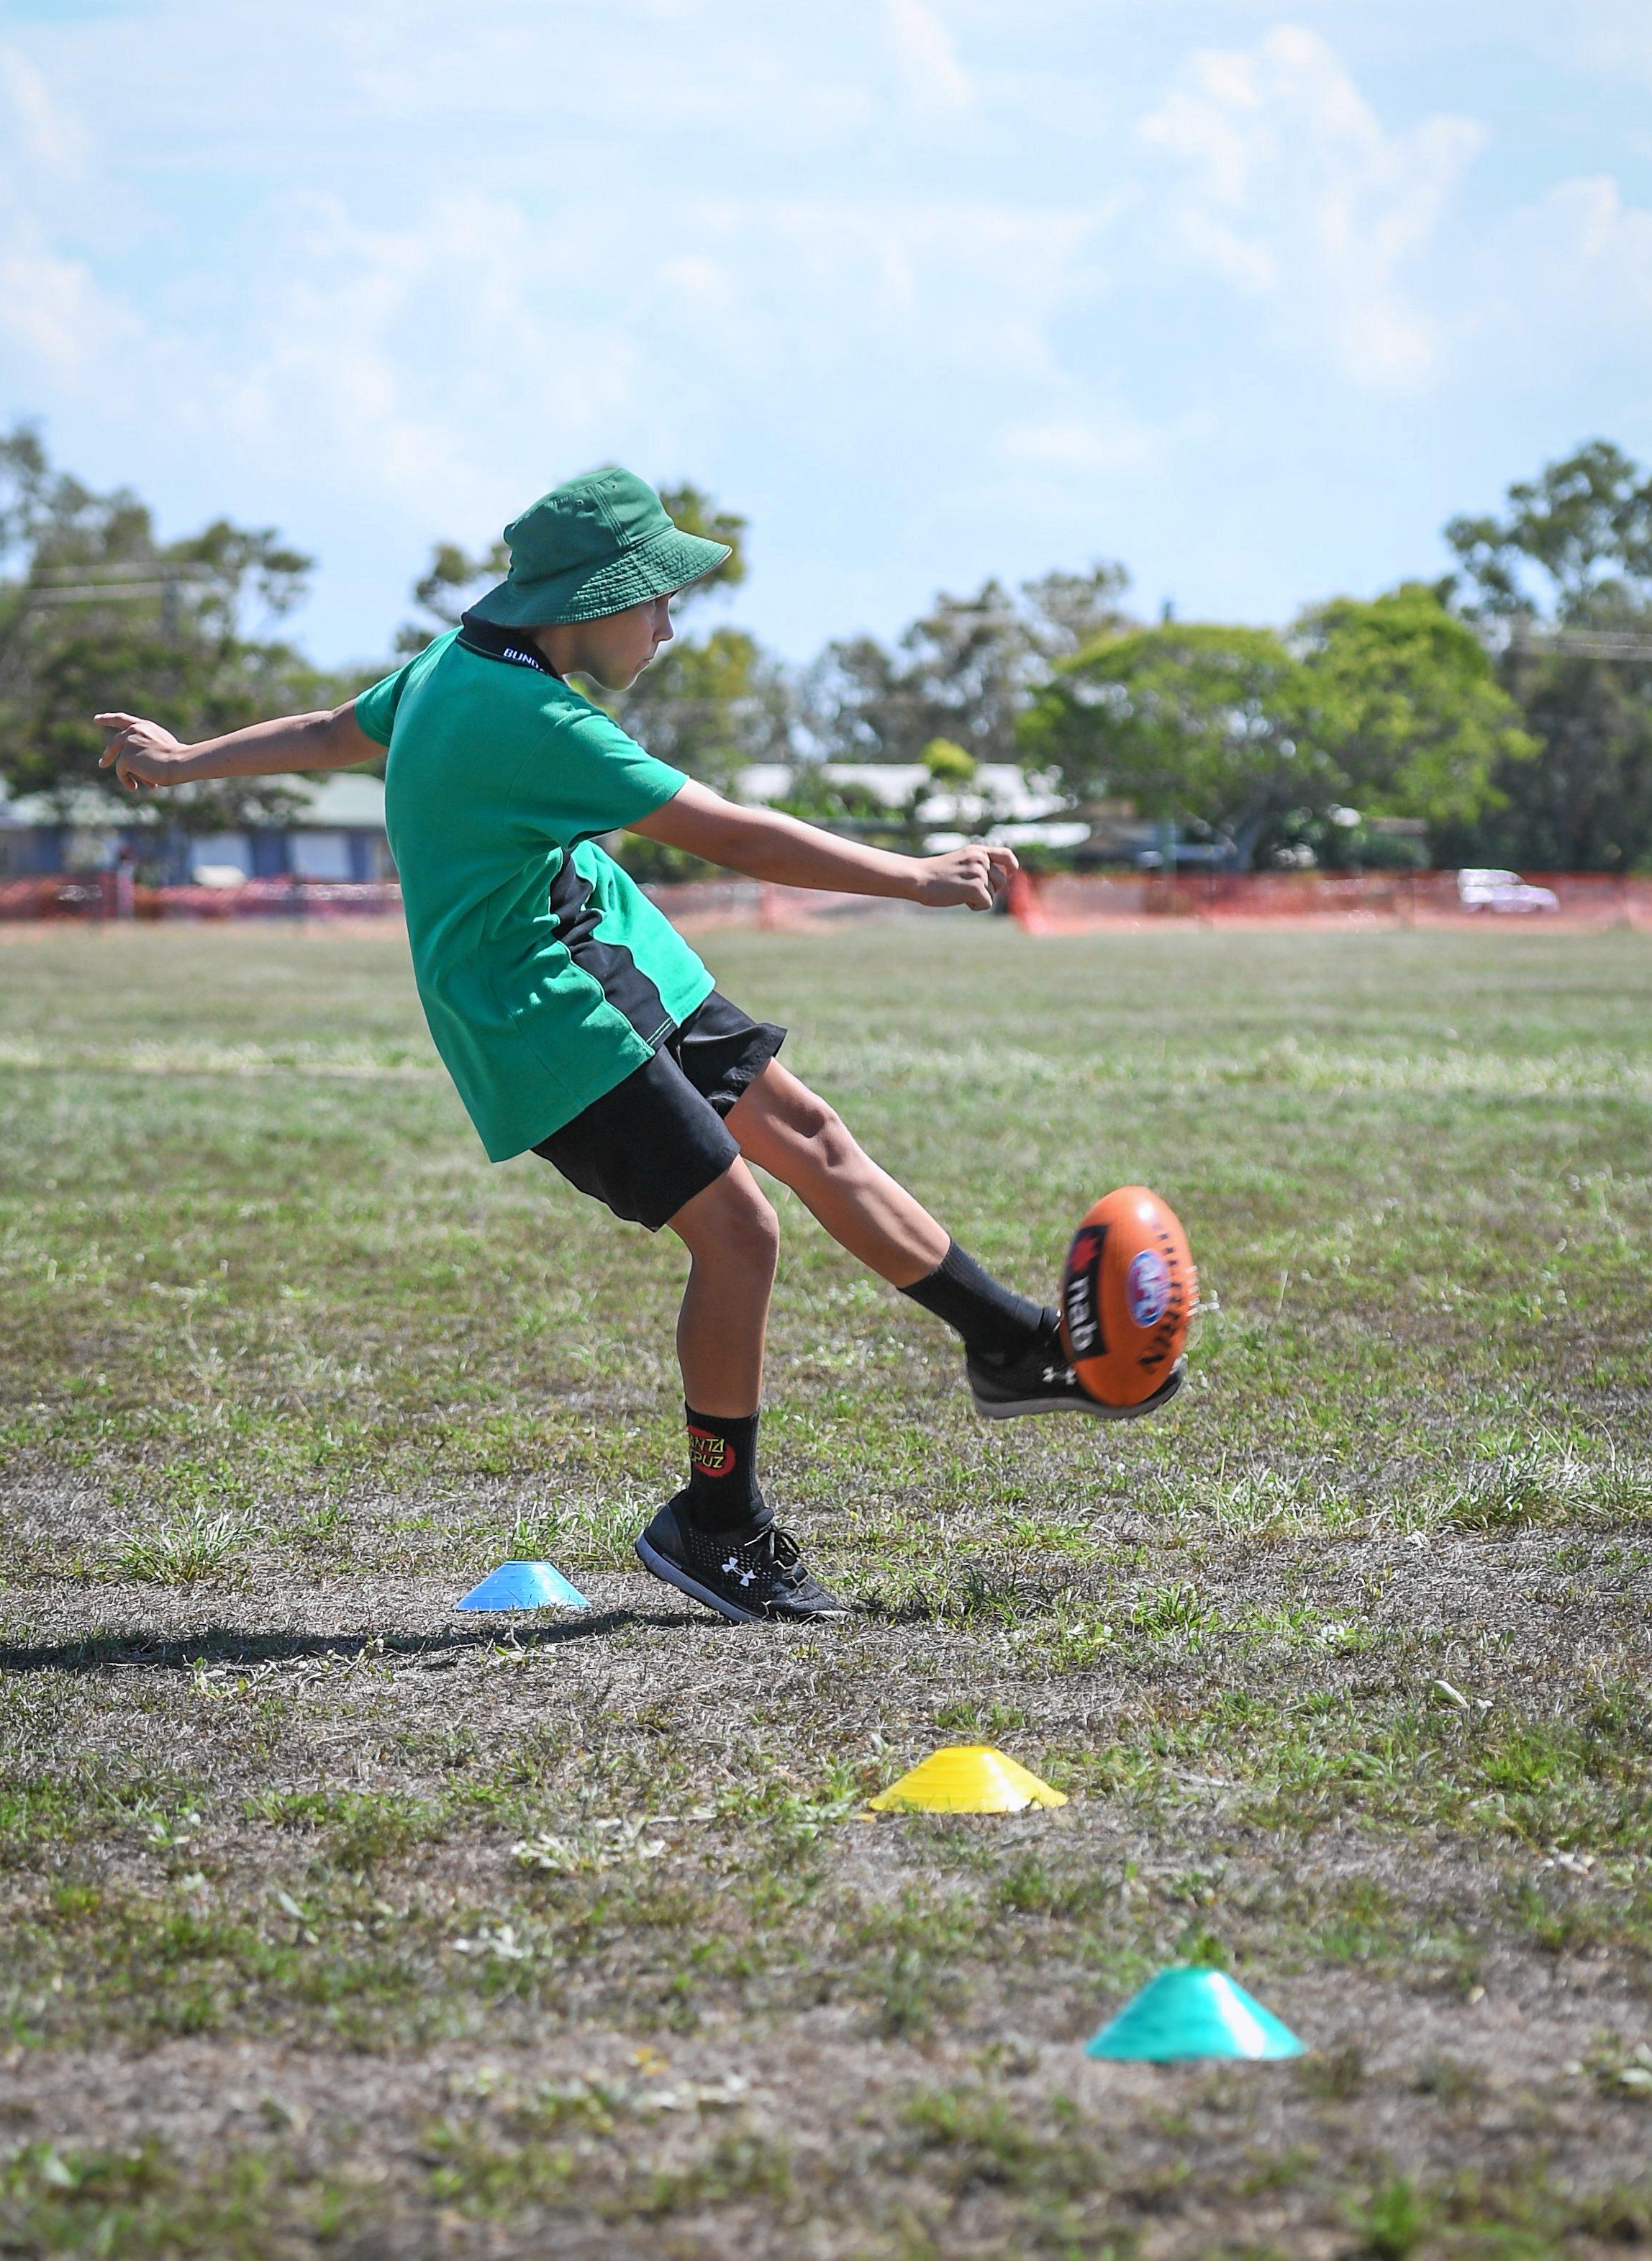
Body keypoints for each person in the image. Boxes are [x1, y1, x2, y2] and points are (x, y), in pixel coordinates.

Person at [96, 466, 1180, 1625]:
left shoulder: (454, 664)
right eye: (654, 597)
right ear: (587, 596)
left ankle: (1012, 1345)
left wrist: (182, 760)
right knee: (739, 1231)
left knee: (810, 1134)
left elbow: (332, 729)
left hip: (598, 932)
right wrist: (912, 875)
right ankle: (717, 1526)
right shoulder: (532, 717)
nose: (667, 620)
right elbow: (731, 832)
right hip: (533, 1007)